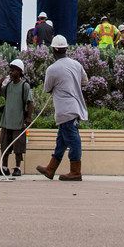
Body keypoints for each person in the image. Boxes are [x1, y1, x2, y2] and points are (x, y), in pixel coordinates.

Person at [36, 34, 88, 181]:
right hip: (75, 108)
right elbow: (85, 81)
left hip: (64, 110)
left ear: (53, 50)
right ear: (66, 49)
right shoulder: (77, 65)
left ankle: (75, 172)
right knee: (61, 141)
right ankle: (50, 169)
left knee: (73, 140)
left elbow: (47, 88)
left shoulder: (52, 69)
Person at [0, 58, 34, 176]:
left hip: (18, 121)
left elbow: (30, 102)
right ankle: (4, 167)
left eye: (13, 70)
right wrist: (0, 83)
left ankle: (17, 168)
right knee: (4, 144)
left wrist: (28, 118)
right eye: (10, 70)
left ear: (20, 71)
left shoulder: (24, 86)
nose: (10, 72)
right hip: (6, 121)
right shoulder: (8, 85)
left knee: (18, 146)